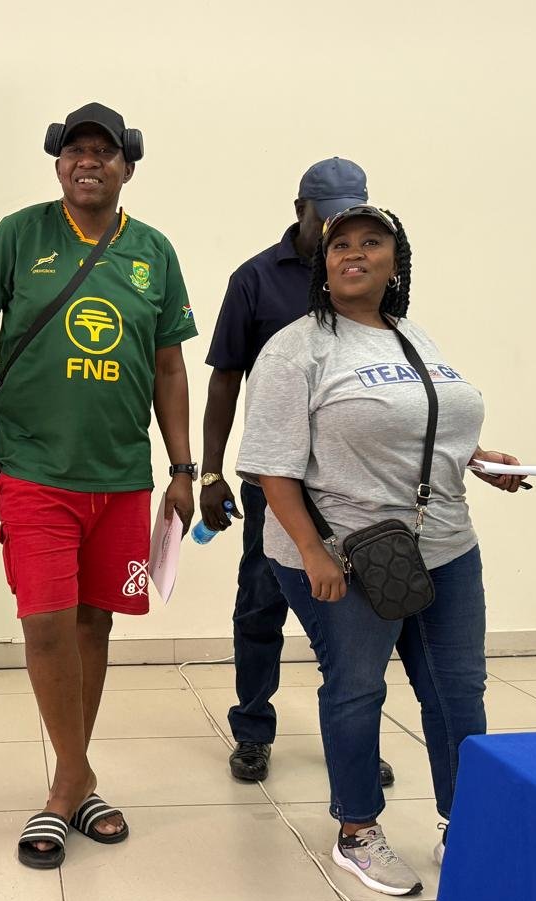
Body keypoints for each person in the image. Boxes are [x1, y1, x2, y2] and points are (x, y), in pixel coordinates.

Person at [236, 204, 524, 896]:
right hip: (346, 551)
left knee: (458, 689)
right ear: (323, 263)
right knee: (358, 686)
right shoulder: (297, 348)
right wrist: (313, 552)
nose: (354, 253)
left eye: (372, 242)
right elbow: (272, 467)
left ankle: (466, 821)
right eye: (341, 244)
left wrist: (477, 457)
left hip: (445, 543)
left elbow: (422, 425)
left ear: (396, 263)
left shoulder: (411, 334)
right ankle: (357, 830)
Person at [0, 103, 197, 869]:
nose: (89, 162)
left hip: (120, 474)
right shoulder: (21, 235)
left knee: (94, 625)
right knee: (46, 623)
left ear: (127, 167)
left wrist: (182, 468)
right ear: (59, 163)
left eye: (105, 152)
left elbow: (170, 367)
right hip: (33, 469)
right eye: (75, 151)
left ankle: (71, 777)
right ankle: (72, 785)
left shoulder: (153, 251)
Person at [200, 158, 393, 788]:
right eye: (327, 220)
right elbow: (225, 379)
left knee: (363, 613)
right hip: (275, 481)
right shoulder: (256, 279)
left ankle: (354, 738)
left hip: (354, 483)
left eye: (352, 220)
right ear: (299, 211)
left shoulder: (372, 275)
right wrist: (210, 474)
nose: (341, 236)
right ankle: (253, 729)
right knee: (261, 604)